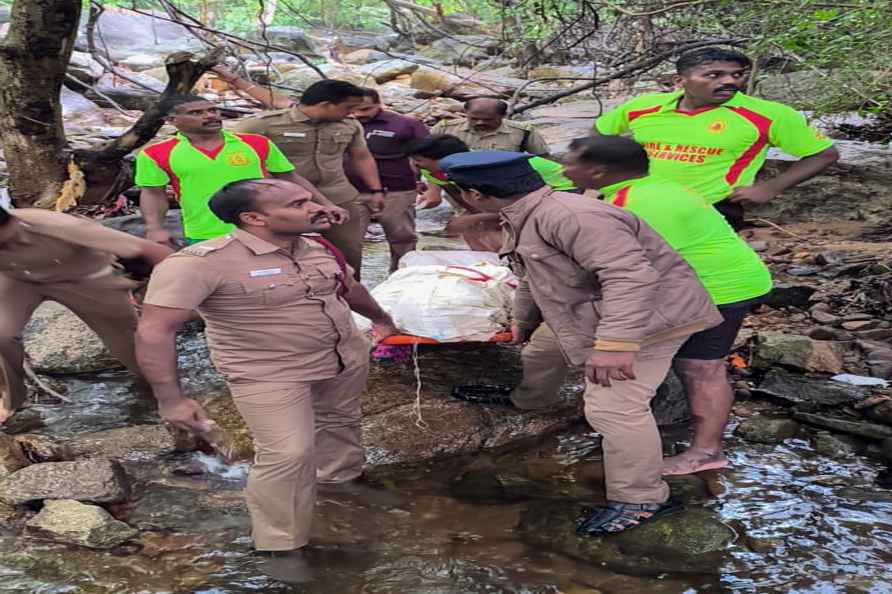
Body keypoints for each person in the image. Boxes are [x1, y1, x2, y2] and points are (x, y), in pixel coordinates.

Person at [440, 151, 722, 535]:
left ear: (474, 194)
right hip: (591, 312)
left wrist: (615, 344)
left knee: (613, 408)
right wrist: (522, 321)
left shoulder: (574, 217)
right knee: (541, 351)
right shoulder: (526, 212)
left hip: (651, 320)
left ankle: (642, 498)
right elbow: (533, 275)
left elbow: (630, 277)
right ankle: (530, 399)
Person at [136, 178, 397, 584]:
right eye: (298, 203)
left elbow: (349, 287)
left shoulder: (315, 246)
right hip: (267, 372)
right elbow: (155, 329)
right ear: (254, 218)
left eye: (309, 198)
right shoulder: (198, 262)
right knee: (288, 453)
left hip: (342, 356)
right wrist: (171, 399)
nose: (314, 207)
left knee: (341, 424)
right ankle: (280, 544)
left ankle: (339, 485)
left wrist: (381, 319)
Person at [486, 136, 772, 475]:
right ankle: (574, 409)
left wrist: (614, 342)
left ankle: (706, 450)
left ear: (597, 171)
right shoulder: (646, 186)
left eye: (570, 163)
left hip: (720, 287)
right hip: (711, 277)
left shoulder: (630, 204)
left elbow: (627, 275)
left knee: (699, 367)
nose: (562, 169)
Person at [594, 47, 839, 229]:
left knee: (694, 274)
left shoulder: (769, 115)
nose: (730, 81)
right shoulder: (643, 107)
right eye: (714, 75)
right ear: (680, 81)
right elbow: (599, 134)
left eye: (737, 75)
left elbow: (824, 153)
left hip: (711, 209)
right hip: (636, 203)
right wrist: (600, 182)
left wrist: (770, 188)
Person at [0, 206, 173, 423]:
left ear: (12, 222)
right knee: (2, 335)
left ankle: (163, 395)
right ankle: (13, 399)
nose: (6, 247)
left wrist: (181, 288)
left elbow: (150, 250)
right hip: (20, 281)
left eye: (6, 241)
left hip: (85, 279)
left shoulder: (57, 226)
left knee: (128, 344)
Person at [136, 94, 344, 246]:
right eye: (197, 113)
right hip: (206, 232)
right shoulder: (156, 153)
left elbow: (289, 177)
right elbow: (153, 193)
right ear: (172, 121)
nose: (210, 116)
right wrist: (154, 228)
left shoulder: (256, 143)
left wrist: (325, 204)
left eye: (213, 110)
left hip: (267, 227)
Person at [233, 80, 386, 277]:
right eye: (348, 108)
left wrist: (376, 190)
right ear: (325, 105)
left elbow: (362, 157)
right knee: (279, 253)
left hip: (339, 198)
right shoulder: (261, 125)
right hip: (282, 203)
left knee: (348, 255)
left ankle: (348, 299)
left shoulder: (349, 125)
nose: (352, 113)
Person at [406, 134, 576, 251]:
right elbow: (458, 193)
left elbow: (515, 198)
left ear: (445, 159)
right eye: (413, 159)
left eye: (419, 160)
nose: (414, 164)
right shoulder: (432, 169)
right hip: (520, 193)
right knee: (465, 226)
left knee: (480, 225)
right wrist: (474, 215)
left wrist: (486, 218)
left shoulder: (483, 167)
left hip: (562, 186)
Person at [347, 87, 430, 272]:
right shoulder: (340, 124)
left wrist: (428, 184)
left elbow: (428, 157)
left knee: (402, 238)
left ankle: (402, 278)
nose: (359, 114)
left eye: (366, 109)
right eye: (354, 109)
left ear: (379, 104)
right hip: (350, 192)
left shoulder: (406, 124)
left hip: (396, 190)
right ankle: (350, 285)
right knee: (348, 242)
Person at [432, 97, 551, 157]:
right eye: (474, 119)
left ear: (503, 115)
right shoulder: (445, 128)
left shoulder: (523, 132)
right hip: (455, 185)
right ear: (466, 113)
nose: (480, 123)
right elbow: (424, 158)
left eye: (488, 120)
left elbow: (544, 158)